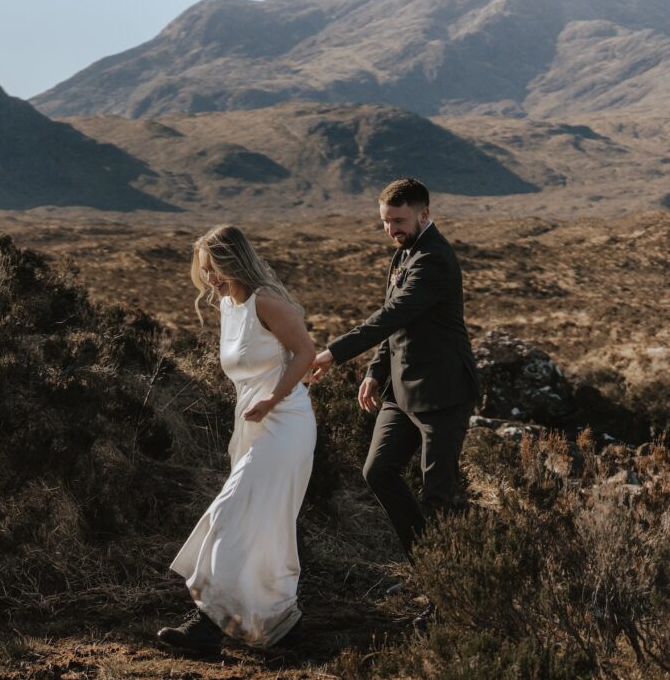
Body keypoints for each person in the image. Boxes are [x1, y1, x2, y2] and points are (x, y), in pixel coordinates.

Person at [158, 225, 317, 654]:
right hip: (252, 423)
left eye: (213, 268)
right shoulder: (230, 304)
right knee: (260, 526)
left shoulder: (267, 301)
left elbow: (305, 352)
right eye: (203, 270)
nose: (208, 278)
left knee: (230, 513)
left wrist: (271, 398)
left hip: (285, 423)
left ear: (232, 260)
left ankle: (208, 626)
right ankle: (282, 623)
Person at [311, 177, 479, 562]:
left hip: (443, 393)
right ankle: (424, 558)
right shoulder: (403, 253)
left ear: (425, 214)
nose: (392, 230)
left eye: (399, 221)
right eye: (386, 222)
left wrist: (333, 353)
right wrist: (374, 371)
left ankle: (444, 588)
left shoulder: (433, 258)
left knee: (437, 496)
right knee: (378, 471)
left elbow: (391, 315)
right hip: (401, 392)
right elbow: (396, 326)